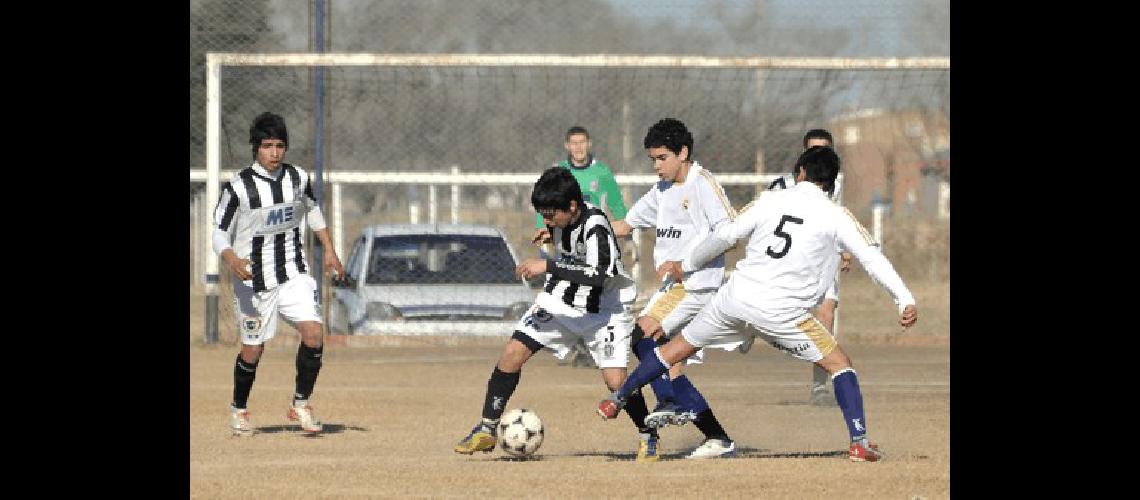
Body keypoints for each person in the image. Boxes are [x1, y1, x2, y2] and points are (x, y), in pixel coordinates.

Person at [597, 146, 918, 462]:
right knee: (840, 364)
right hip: (783, 314)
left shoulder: (770, 200)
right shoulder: (836, 215)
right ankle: (859, 442)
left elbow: (725, 235)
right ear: (832, 182)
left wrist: (685, 264)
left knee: (671, 352)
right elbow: (871, 257)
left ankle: (617, 398)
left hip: (734, 300)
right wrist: (903, 298)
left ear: (800, 173)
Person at [455, 167, 662, 461]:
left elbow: (597, 276)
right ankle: (487, 428)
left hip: (605, 309)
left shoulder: (597, 227)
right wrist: (552, 231)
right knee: (513, 352)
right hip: (562, 300)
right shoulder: (563, 219)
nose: (547, 219)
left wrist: (547, 266)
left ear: (573, 206)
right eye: (542, 214)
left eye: (551, 215)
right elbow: (566, 238)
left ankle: (648, 434)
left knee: (616, 381)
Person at [609, 118, 739, 459]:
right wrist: (571, 228)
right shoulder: (661, 190)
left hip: (693, 286)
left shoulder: (704, 185)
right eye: (653, 159)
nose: (657, 166)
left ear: (683, 153)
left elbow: (729, 234)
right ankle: (717, 437)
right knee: (670, 361)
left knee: (643, 338)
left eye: (662, 158)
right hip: (671, 288)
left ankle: (667, 400)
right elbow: (623, 226)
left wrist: (687, 264)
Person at [212, 112, 346, 436]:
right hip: (253, 282)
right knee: (253, 349)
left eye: (279, 145)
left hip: (293, 274)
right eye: (267, 145)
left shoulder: (298, 178)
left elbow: (313, 211)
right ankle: (239, 410)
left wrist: (329, 249)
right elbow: (218, 232)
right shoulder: (239, 187)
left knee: (314, 333)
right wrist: (232, 259)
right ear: (255, 148)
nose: (274, 152)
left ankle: (300, 404)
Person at [767, 129, 856, 406]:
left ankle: (819, 385)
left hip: (822, 260)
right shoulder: (781, 186)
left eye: (825, 149)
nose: (821, 154)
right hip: (787, 263)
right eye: (814, 149)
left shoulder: (834, 185)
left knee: (826, 314)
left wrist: (843, 249)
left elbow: (836, 220)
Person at [534, 126, 631, 368]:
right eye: (573, 143)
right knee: (567, 286)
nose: (578, 147)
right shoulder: (559, 172)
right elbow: (546, 208)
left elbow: (618, 208)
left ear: (589, 144)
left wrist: (627, 235)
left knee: (594, 285)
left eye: (582, 142)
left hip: (594, 240)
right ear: (567, 146)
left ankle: (591, 342)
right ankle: (573, 339)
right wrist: (544, 230)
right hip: (566, 239)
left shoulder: (602, 173)